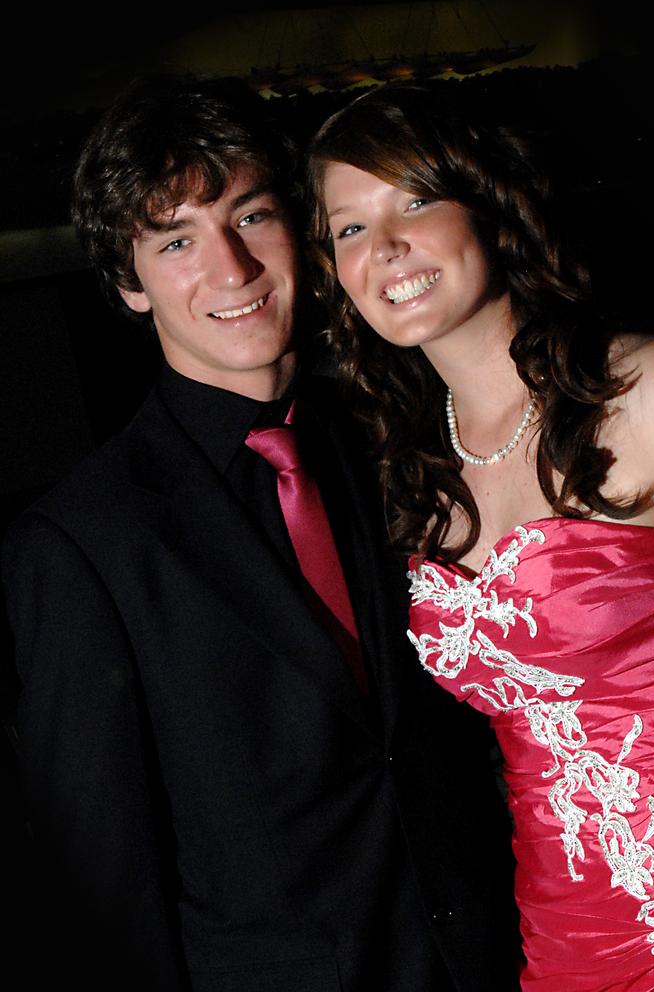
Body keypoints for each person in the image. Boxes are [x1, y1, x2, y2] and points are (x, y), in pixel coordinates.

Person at [1, 75, 517, 992]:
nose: (232, 269)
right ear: (128, 283)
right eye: (176, 240)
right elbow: (105, 894)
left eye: (251, 216)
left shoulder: (397, 436)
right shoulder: (82, 543)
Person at [309, 82, 654, 991]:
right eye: (348, 228)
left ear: (487, 205)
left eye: (413, 200)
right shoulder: (409, 474)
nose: (385, 247)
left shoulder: (651, 393)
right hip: (564, 935)